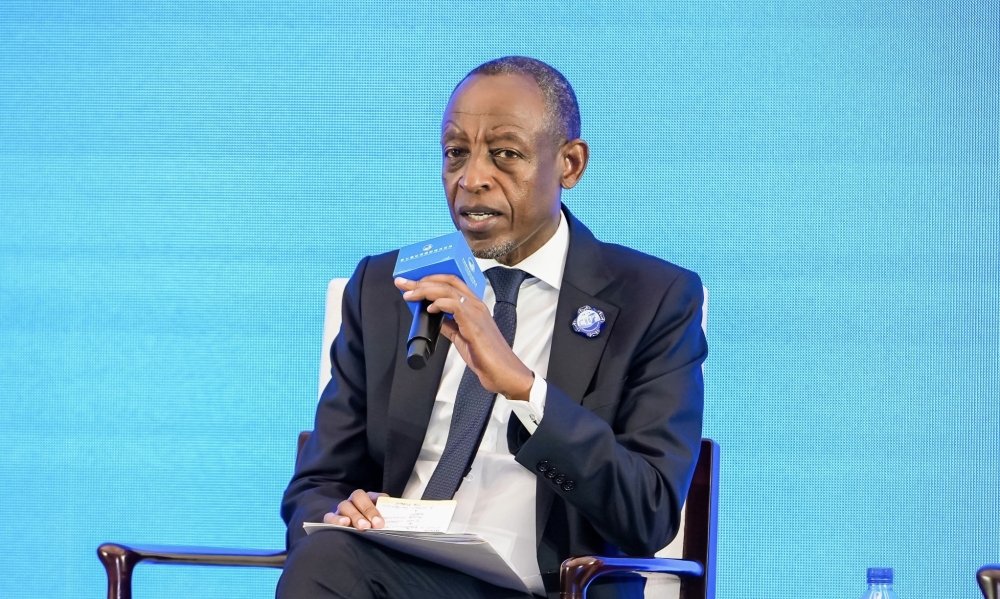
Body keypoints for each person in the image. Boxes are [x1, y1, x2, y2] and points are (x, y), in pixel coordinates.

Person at [277, 56, 707, 599]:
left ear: (570, 165)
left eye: (505, 154)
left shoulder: (654, 298)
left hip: (545, 589)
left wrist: (524, 389)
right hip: (394, 572)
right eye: (457, 152)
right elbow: (319, 483)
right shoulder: (389, 286)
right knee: (329, 554)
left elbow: (648, 513)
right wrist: (340, 513)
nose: (472, 178)